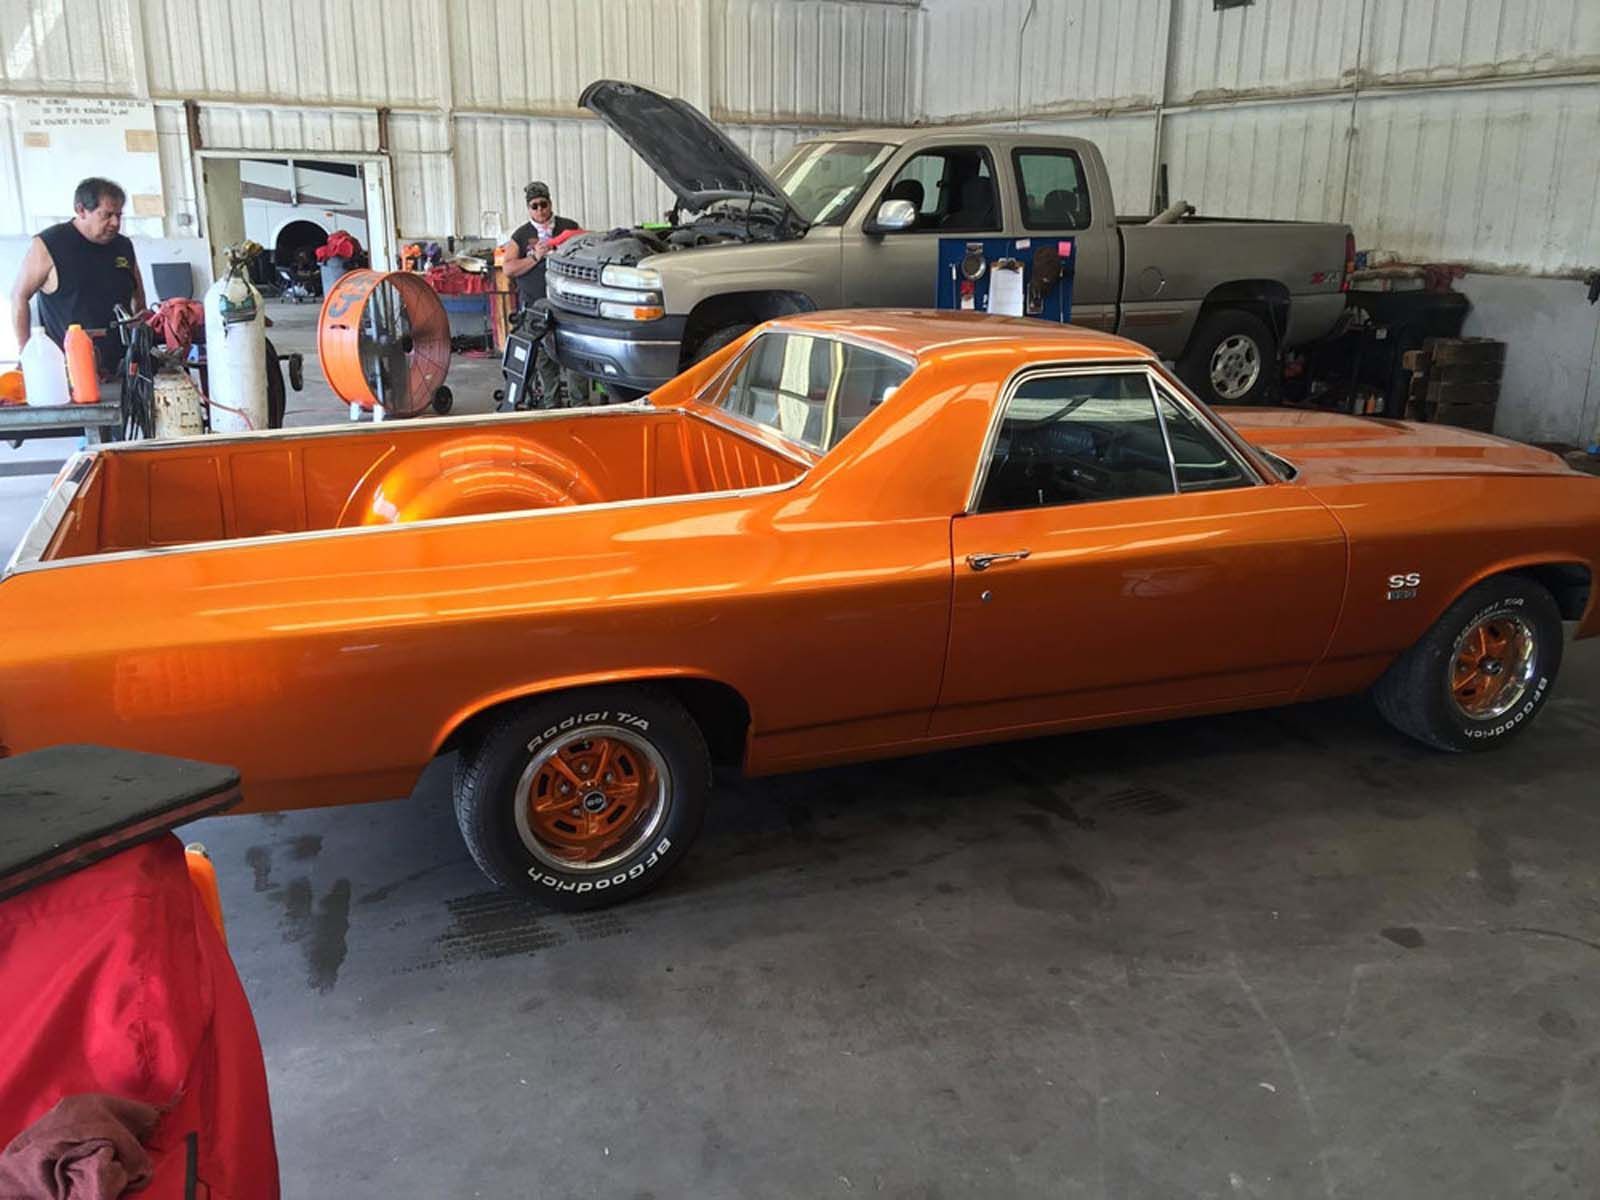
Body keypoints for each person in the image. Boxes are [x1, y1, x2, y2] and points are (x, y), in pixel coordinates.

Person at [11, 177, 145, 377]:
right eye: (107, 215)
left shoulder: (123, 246)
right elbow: (18, 296)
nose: (115, 223)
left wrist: (142, 336)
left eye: (119, 215)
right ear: (81, 210)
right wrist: (26, 354)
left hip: (122, 366)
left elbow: (138, 297)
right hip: (69, 370)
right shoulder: (50, 244)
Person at [501, 181, 589, 407]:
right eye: (534, 206)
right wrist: (534, 257)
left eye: (544, 204)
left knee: (574, 358)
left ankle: (580, 408)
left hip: (568, 306)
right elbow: (508, 268)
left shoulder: (568, 227)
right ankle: (552, 408)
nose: (540, 210)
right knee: (544, 362)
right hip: (535, 308)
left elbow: (587, 252)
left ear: (550, 203)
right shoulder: (521, 236)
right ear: (528, 208)